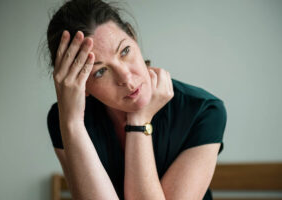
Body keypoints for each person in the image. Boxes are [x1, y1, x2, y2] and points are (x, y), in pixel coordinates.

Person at [45, 0, 227, 199]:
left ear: (133, 36)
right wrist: (72, 123)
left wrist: (139, 121)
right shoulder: (65, 120)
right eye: (100, 71)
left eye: (124, 51)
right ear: (79, 83)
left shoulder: (203, 111)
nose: (126, 77)